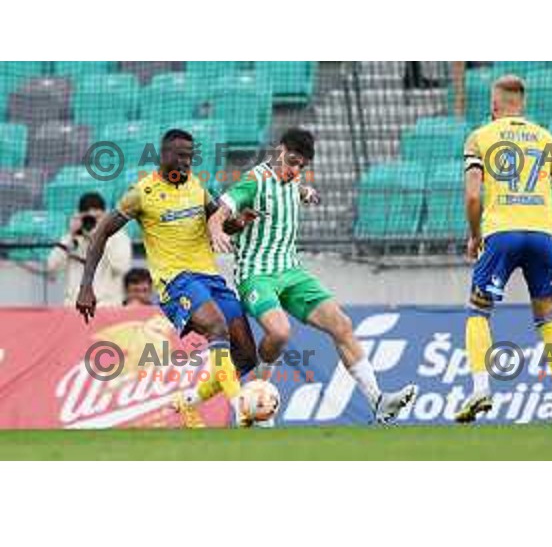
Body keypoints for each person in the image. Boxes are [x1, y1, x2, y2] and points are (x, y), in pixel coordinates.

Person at [208, 127, 416, 424]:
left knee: (341, 324)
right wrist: (216, 229)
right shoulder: (254, 181)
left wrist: (306, 192)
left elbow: (292, 189)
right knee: (279, 333)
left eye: (302, 166)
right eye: (292, 162)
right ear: (279, 151)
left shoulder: (294, 181)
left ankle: (378, 401)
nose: (295, 170)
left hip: (292, 272)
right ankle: (260, 396)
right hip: (257, 275)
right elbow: (220, 210)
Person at [75, 129, 259, 427]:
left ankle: (188, 403)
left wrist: (238, 222)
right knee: (216, 328)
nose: (187, 162)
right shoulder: (142, 193)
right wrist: (86, 286)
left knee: (248, 356)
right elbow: (101, 233)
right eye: (181, 156)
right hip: (176, 282)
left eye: (190, 156)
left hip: (210, 278)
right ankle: (241, 405)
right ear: (163, 156)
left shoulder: (197, 187)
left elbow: (221, 224)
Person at [456, 74, 552, 424]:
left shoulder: (480, 136)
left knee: (478, 310)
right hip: (544, 234)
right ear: (522, 104)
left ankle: (481, 389)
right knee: (547, 316)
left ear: (494, 106)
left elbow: (471, 196)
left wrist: (473, 235)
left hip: (501, 232)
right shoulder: (546, 138)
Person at [48, 192, 131, 306]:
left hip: (108, 306)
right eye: (87, 217)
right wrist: (70, 235)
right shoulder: (71, 238)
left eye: (97, 217)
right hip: (75, 307)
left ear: (105, 216)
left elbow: (121, 267)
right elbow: (52, 268)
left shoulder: (118, 237)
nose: (92, 221)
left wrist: (102, 235)